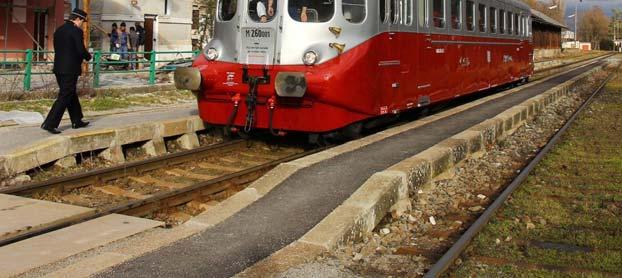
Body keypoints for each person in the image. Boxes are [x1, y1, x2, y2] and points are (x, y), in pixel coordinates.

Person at [41, 8, 91, 134]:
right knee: (65, 95)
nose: (82, 24)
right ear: (78, 19)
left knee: (70, 92)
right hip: (70, 69)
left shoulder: (59, 30)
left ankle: (77, 120)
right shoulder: (76, 31)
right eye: (83, 21)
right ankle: (50, 123)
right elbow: (80, 50)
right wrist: (88, 56)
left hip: (58, 68)